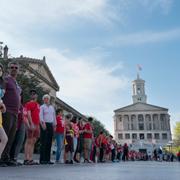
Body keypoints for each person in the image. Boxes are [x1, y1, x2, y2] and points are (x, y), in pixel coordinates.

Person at [1, 61, 21, 166]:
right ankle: (1, 157)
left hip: (15, 113)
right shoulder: (6, 80)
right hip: (7, 111)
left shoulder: (17, 84)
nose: (14, 69)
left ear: (18, 70)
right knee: (4, 136)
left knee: (11, 136)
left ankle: (6, 157)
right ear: (8, 69)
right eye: (12, 67)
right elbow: (1, 94)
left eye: (16, 67)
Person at [24, 89, 40, 165]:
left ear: (36, 95)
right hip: (32, 124)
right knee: (29, 141)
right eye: (31, 94)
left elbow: (38, 115)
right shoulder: (28, 104)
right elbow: (28, 114)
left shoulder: (37, 104)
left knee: (33, 142)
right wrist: (31, 124)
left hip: (37, 125)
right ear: (30, 96)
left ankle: (30, 158)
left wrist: (39, 125)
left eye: (34, 93)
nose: (33, 95)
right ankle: (26, 159)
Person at [10, 91, 26, 165]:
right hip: (15, 123)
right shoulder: (13, 104)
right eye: (18, 95)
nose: (19, 96)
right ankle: (9, 158)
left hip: (21, 124)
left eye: (20, 95)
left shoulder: (22, 106)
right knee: (12, 141)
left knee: (20, 141)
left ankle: (15, 158)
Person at [40, 94, 56, 164]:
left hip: (50, 125)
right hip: (44, 124)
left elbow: (54, 116)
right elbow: (40, 116)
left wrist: (54, 125)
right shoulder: (42, 107)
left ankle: (47, 159)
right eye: (45, 98)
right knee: (44, 142)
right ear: (43, 100)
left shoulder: (52, 107)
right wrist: (42, 123)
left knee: (49, 142)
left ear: (49, 100)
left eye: (47, 98)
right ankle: (42, 159)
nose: (46, 100)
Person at [0, 64, 8, 166]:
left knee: (4, 139)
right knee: (4, 138)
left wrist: (3, 105)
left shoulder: (2, 83)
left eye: (0, 70)